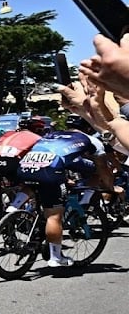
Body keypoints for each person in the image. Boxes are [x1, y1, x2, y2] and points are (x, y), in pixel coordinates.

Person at [15, 114, 114, 267]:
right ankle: (55, 258)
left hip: (25, 167)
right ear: (89, 127)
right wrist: (109, 187)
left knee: (40, 193)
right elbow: (102, 167)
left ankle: (13, 209)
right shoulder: (93, 140)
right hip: (50, 170)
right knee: (54, 215)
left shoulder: (54, 134)